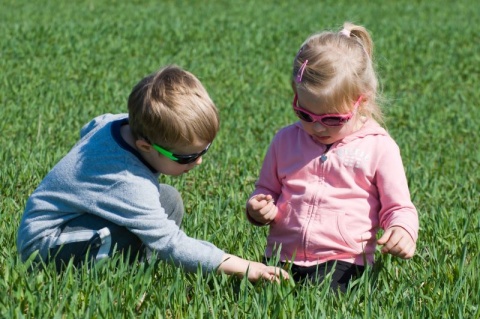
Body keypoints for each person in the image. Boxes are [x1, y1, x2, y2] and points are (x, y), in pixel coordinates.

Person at [17, 65, 288, 282]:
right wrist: (245, 267)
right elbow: (171, 244)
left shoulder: (116, 121)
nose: (199, 162)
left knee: (168, 199)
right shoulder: (129, 183)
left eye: (205, 150)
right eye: (187, 156)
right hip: (44, 248)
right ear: (146, 146)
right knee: (143, 237)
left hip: (74, 225)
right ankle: (109, 280)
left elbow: (90, 127)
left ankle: (134, 271)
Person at [246, 22, 419, 292]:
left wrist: (403, 230)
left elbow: (399, 208)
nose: (317, 127)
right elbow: (266, 190)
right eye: (304, 114)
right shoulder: (285, 140)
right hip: (281, 256)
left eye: (332, 119)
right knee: (265, 296)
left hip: (345, 262)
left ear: (362, 101)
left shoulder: (379, 148)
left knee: (321, 299)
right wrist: (257, 210)